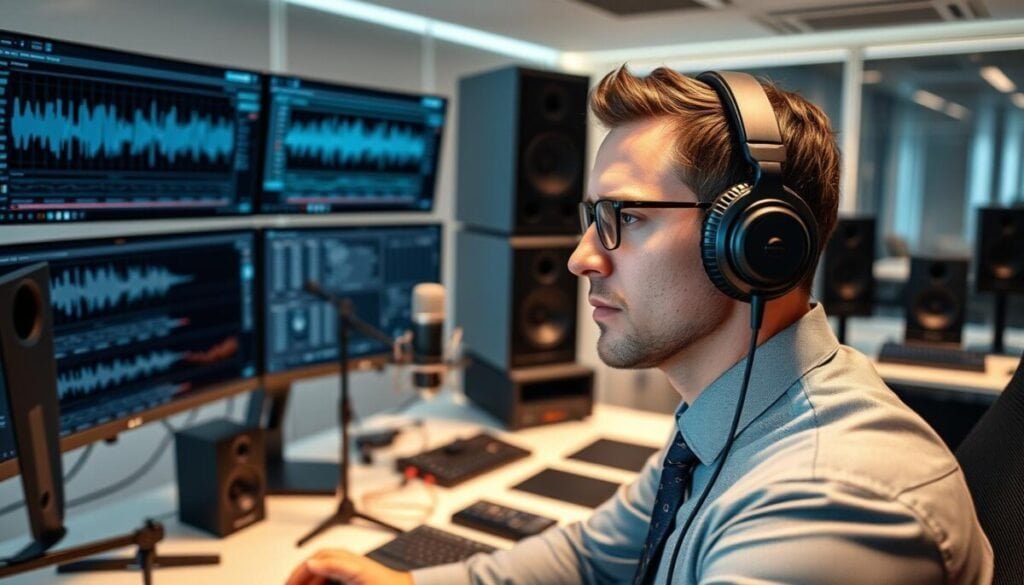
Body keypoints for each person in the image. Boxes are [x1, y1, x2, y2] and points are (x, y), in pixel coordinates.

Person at [286, 66, 993, 585]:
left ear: (754, 241)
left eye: (625, 217)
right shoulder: (727, 415)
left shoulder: (826, 501)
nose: (580, 258)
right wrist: (410, 584)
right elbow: (593, 553)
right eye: (590, 218)